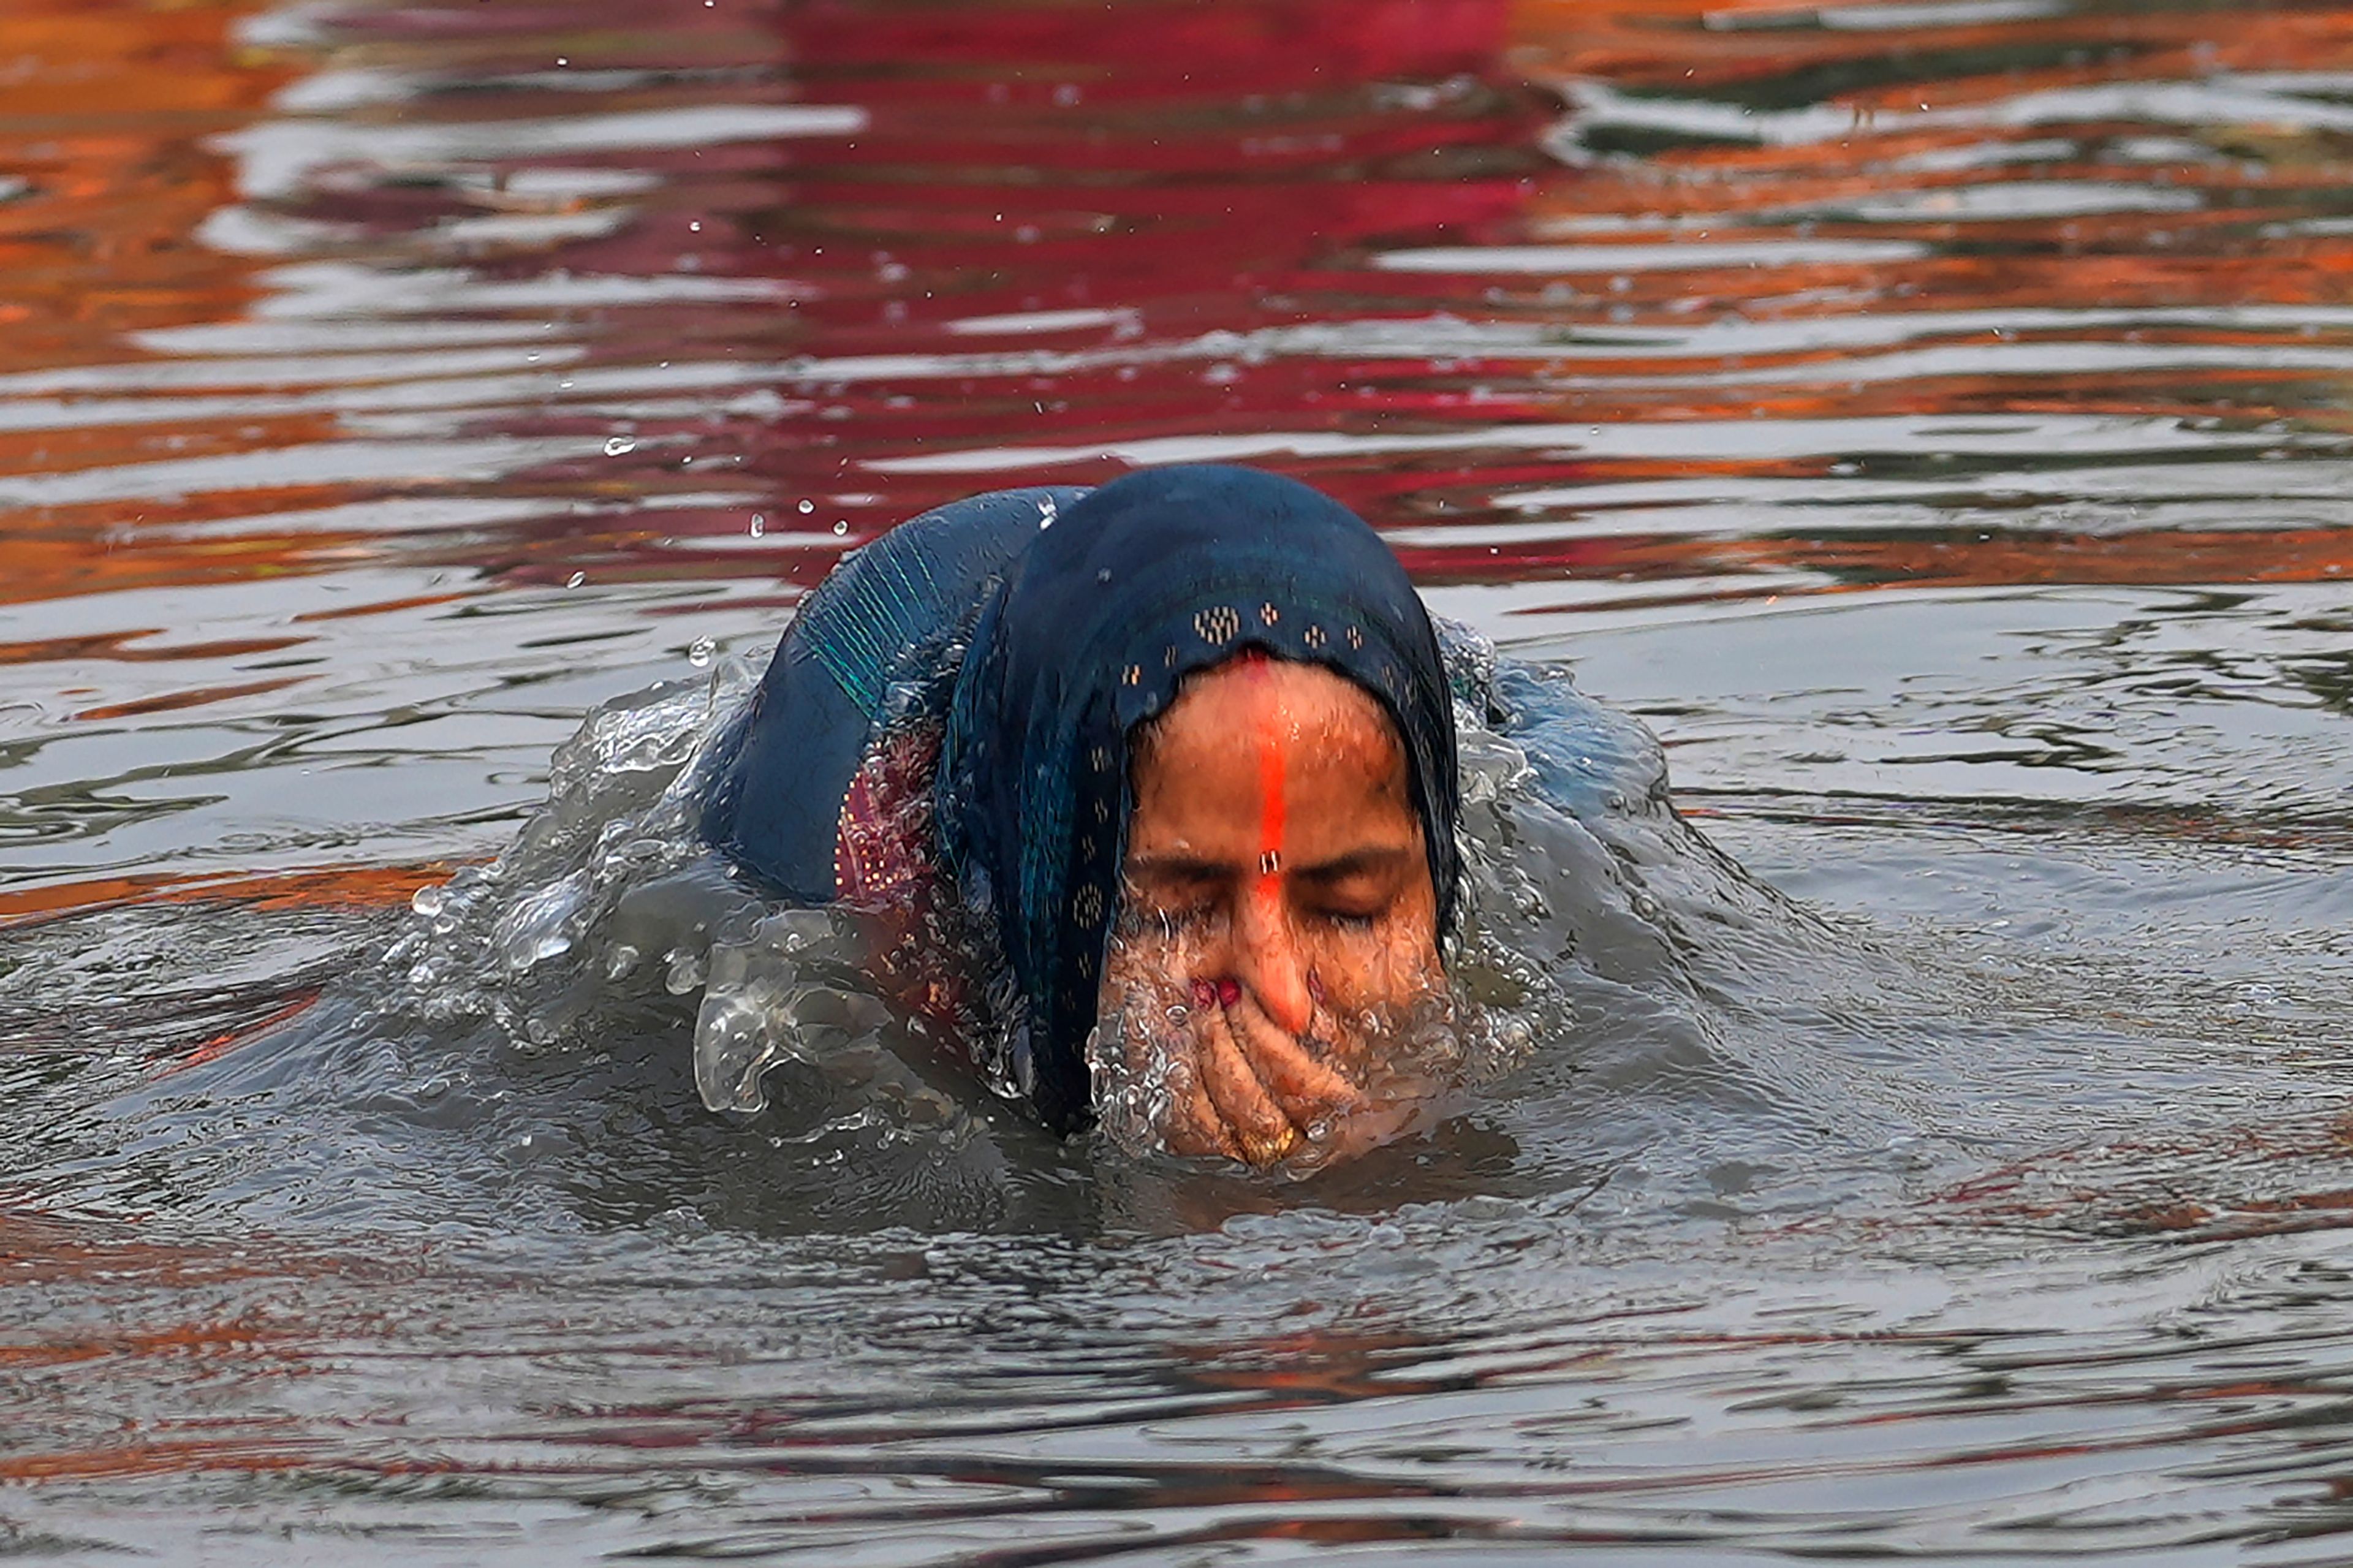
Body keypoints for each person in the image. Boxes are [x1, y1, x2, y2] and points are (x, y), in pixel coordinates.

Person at [698, 464, 1463, 1167]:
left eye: (1349, 909)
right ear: (1048, 898)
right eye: (1177, 912)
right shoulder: (862, 949)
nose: (1282, 995)